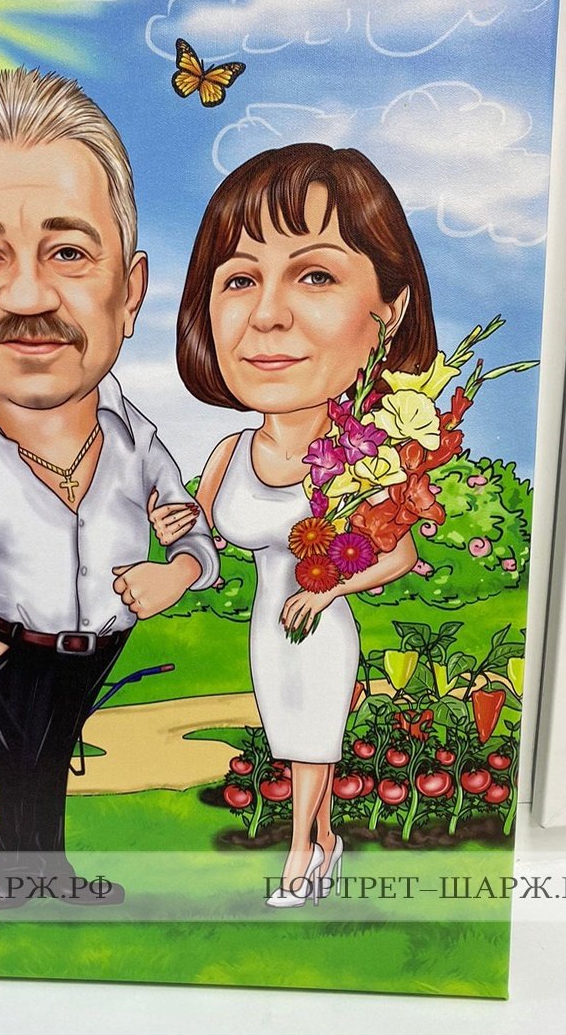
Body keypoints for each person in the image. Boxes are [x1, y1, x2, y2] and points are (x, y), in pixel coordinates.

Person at [0, 66, 218, 907]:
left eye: (68, 251)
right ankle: (20, 877)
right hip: (9, 643)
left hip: (101, 642)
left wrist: (177, 571)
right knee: (21, 755)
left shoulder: (136, 437)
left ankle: (42, 874)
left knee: (51, 754)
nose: (28, 295)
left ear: (130, 291)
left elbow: (189, 527)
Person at [154, 144, 436, 906]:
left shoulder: (364, 459)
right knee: (292, 735)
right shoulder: (230, 452)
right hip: (265, 627)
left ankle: (299, 856)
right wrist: (177, 523)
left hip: (319, 626)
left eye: (314, 275)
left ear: (391, 309)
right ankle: (327, 839)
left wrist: (328, 591)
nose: (268, 314)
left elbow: (399, 555)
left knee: (313, 741)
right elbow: (203, 534)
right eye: (240, 279)